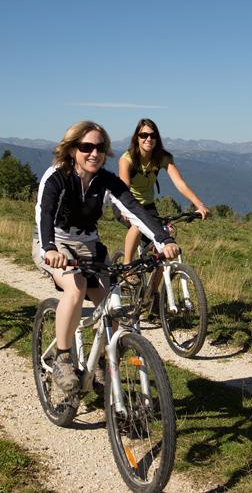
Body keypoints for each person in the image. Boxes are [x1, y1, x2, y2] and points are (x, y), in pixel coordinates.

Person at [32, 121, 180, 394]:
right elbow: (44, 212)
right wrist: (50, 249)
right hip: (56, 242)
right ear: (72, 149)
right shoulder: (56, 175)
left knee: (113, 308)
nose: (94, 153)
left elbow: (135, 209)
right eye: (86, 147)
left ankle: (99, 361)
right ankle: (63, 358)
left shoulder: (105, 179)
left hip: (89, 244)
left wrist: (164, 240)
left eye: (100, 148)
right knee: (75, 288)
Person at [118, 118, 209, 266]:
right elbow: (124, 185)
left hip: (148, 205)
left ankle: (153, 289)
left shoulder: (162, 158)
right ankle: (127, 267)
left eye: (153, 136)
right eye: (144, 135)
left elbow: (179, 183)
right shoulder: (127, 159)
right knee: (137, 224)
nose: (149, 139)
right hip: (126, 203)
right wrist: (124, 208)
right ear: (137, 138)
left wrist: (199, 204)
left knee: (163, 250)